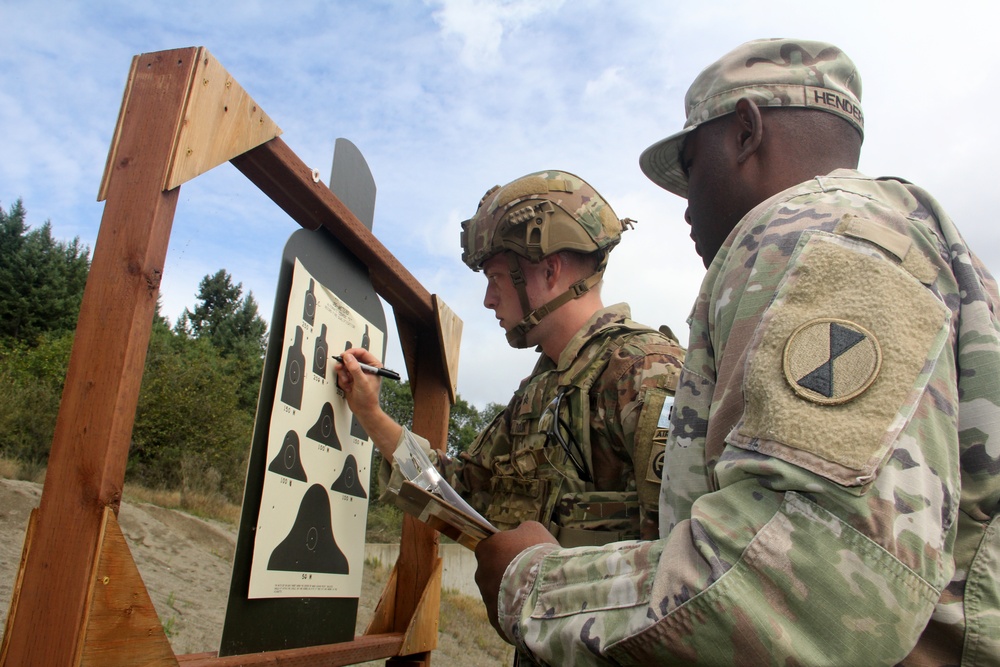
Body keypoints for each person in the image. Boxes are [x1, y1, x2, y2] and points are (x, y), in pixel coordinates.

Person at [473, 38, 1000, 665]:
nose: (686, 204)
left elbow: (799, 590)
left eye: (691, 167)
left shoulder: (813, 234)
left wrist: (530, 586)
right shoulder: (895, 238)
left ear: (746, 132)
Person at [336, 170, 685, 545]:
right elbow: (458, 492)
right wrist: (369, 412)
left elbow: (689, 560)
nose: (488, 299)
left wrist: (538, 579)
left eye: (496, 278)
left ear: (549, 271)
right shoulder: (538, 394)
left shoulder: (646, 372)